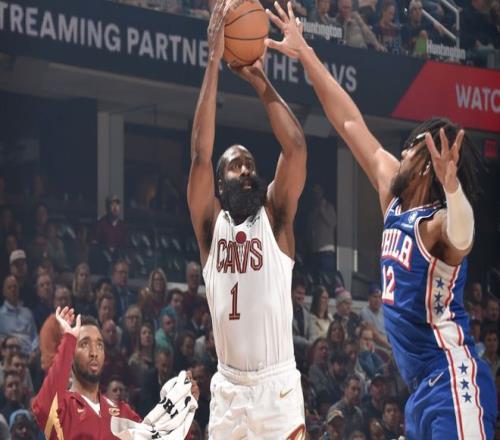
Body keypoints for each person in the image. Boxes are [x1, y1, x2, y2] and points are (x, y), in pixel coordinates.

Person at [265, 4, 496, 437]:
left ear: (427, 164)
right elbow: (348, 120)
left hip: (452, 379)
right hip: (420, 389)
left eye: (412, 146)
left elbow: (464, 235)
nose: (402, 151)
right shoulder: (394, 195)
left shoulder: (438, 224)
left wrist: (453, 189)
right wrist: (306, 54)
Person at [187, 2, 307, 437]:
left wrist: (259, 79)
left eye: (250, 165)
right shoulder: (210, 227)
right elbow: (201, 154)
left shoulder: (275, 218)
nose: (246, 170)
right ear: (219, 184)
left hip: (277, 386)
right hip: (229, 390)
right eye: (236, 166)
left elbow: (296, 148)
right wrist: (213, 63)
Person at [32, 307, 199, 439]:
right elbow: (43, 407)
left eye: (99, 345)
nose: (94, 352)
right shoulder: (63, 406)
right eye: (84, 344)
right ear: (70, 354)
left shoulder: (122, 411)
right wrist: (69, 338)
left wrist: (183, 409)